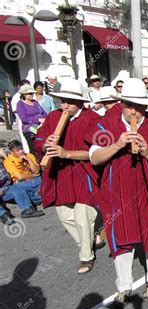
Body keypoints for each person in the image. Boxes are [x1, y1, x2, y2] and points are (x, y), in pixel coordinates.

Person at [88, 78, 148, 307]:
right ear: (120, 103)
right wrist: (118, 144)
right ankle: (124, 286)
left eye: (139, 107)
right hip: (118, 189)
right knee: (121, 235)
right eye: (129, 105)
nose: (134, 112)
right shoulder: (107, 124)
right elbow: (94, 157)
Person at [34, 78, 102, 274]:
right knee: (65, 216)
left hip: (84, 173)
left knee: (83, 216)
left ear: (80, 102)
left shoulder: (93, 119)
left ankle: (86, 257)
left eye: (69, 102)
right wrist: (45, 143)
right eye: (62, 100)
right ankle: (88, 241)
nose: (64, 105)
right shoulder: (53, 116)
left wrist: (66, 153)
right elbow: (39, 138)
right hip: (60, 173)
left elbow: (95, 152)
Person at [0, 148, 44, 225]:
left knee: (15, 189)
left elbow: (6, 178)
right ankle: (3, 215)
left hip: (4, 189)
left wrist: (3, 190)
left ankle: (27, 209)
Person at [3, 139, 42, 206]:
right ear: (12, 152)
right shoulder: (8, 161)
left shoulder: (29, 155)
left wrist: (28, 160)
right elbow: (19, 177)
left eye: (21, 149)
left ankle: (35, 198)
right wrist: (34, 175)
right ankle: (37, 198)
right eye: (17, 150)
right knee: (17, 189)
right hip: (22, 183)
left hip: (36, 180)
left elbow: (37, 171)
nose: (21, 152)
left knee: (44, 180)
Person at [15, 84, 47, 153]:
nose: (31, 95)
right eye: (29, 93)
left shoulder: (35, 102)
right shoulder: (20, 104)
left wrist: (45, 119)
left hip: (41, 127)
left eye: (32, 93)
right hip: (29, 129)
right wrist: (37, 119)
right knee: (33, 149)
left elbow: (44, 113)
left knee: (42, 146)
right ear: (24, 94)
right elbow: (23, 119)